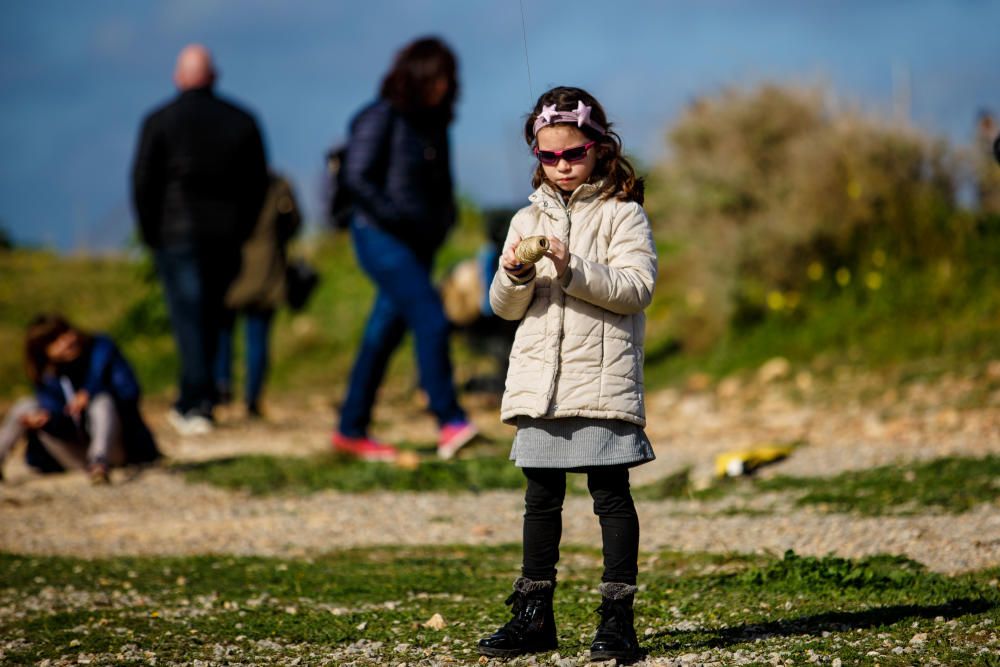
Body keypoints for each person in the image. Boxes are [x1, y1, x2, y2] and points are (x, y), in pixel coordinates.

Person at [477, 87, 657, 662]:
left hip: (602, 383)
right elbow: (503, 309)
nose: (560, 166)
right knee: (540, 500)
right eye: (548, 157)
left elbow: (636, 290)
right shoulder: (525, 217)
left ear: (600, 148)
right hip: (541, 385)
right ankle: (534, 617)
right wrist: (514, 275)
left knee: (611, 496)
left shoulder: (624, 214)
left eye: (573, 154)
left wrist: (571, 268)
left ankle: (617, 621)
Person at [333, 37, 476, 461]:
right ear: (415, 75)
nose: (444, 86)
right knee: (431, 318)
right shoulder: (379, 117)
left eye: (449, 78)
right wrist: (398, 218)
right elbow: (357, 179)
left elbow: (444, 185)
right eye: (436, 77)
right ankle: (449, 419)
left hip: (419, 244)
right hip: (379, 236)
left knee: (383, 333)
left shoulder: (436, 125)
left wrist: (445, 219)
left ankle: (350, 430)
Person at [131, 44, 269, 435]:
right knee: (214, 317)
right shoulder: (241, 119)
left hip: (176, 234)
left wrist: (150, 233)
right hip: (226, 234)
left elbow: (143, 182)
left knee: (189, 318)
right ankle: (204, 393)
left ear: (179, 76)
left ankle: (197, 400)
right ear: (214, 75)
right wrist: (242, 227)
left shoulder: (159, 120)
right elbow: (258, 183)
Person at [0, 314, 160, 484]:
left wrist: (90, 393)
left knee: (101, 402)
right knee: (25, 406)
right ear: (44, 352)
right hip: (71, 452)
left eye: (65, 333)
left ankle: (99, 464)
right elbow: (62, 423)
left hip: (115, 447)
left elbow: (129, 391)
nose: (66, 342)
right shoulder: (48, 376)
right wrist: (46, 421)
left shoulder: (101, 350)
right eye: (55, 341)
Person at [214, 172, 302, 417]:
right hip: (267, 271)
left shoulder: (224, 182)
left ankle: (222, 389)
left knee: (223, 334)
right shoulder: (277, 184)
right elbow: (295, 223)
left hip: (231, 270)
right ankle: (252, 398)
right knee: (257, 338)